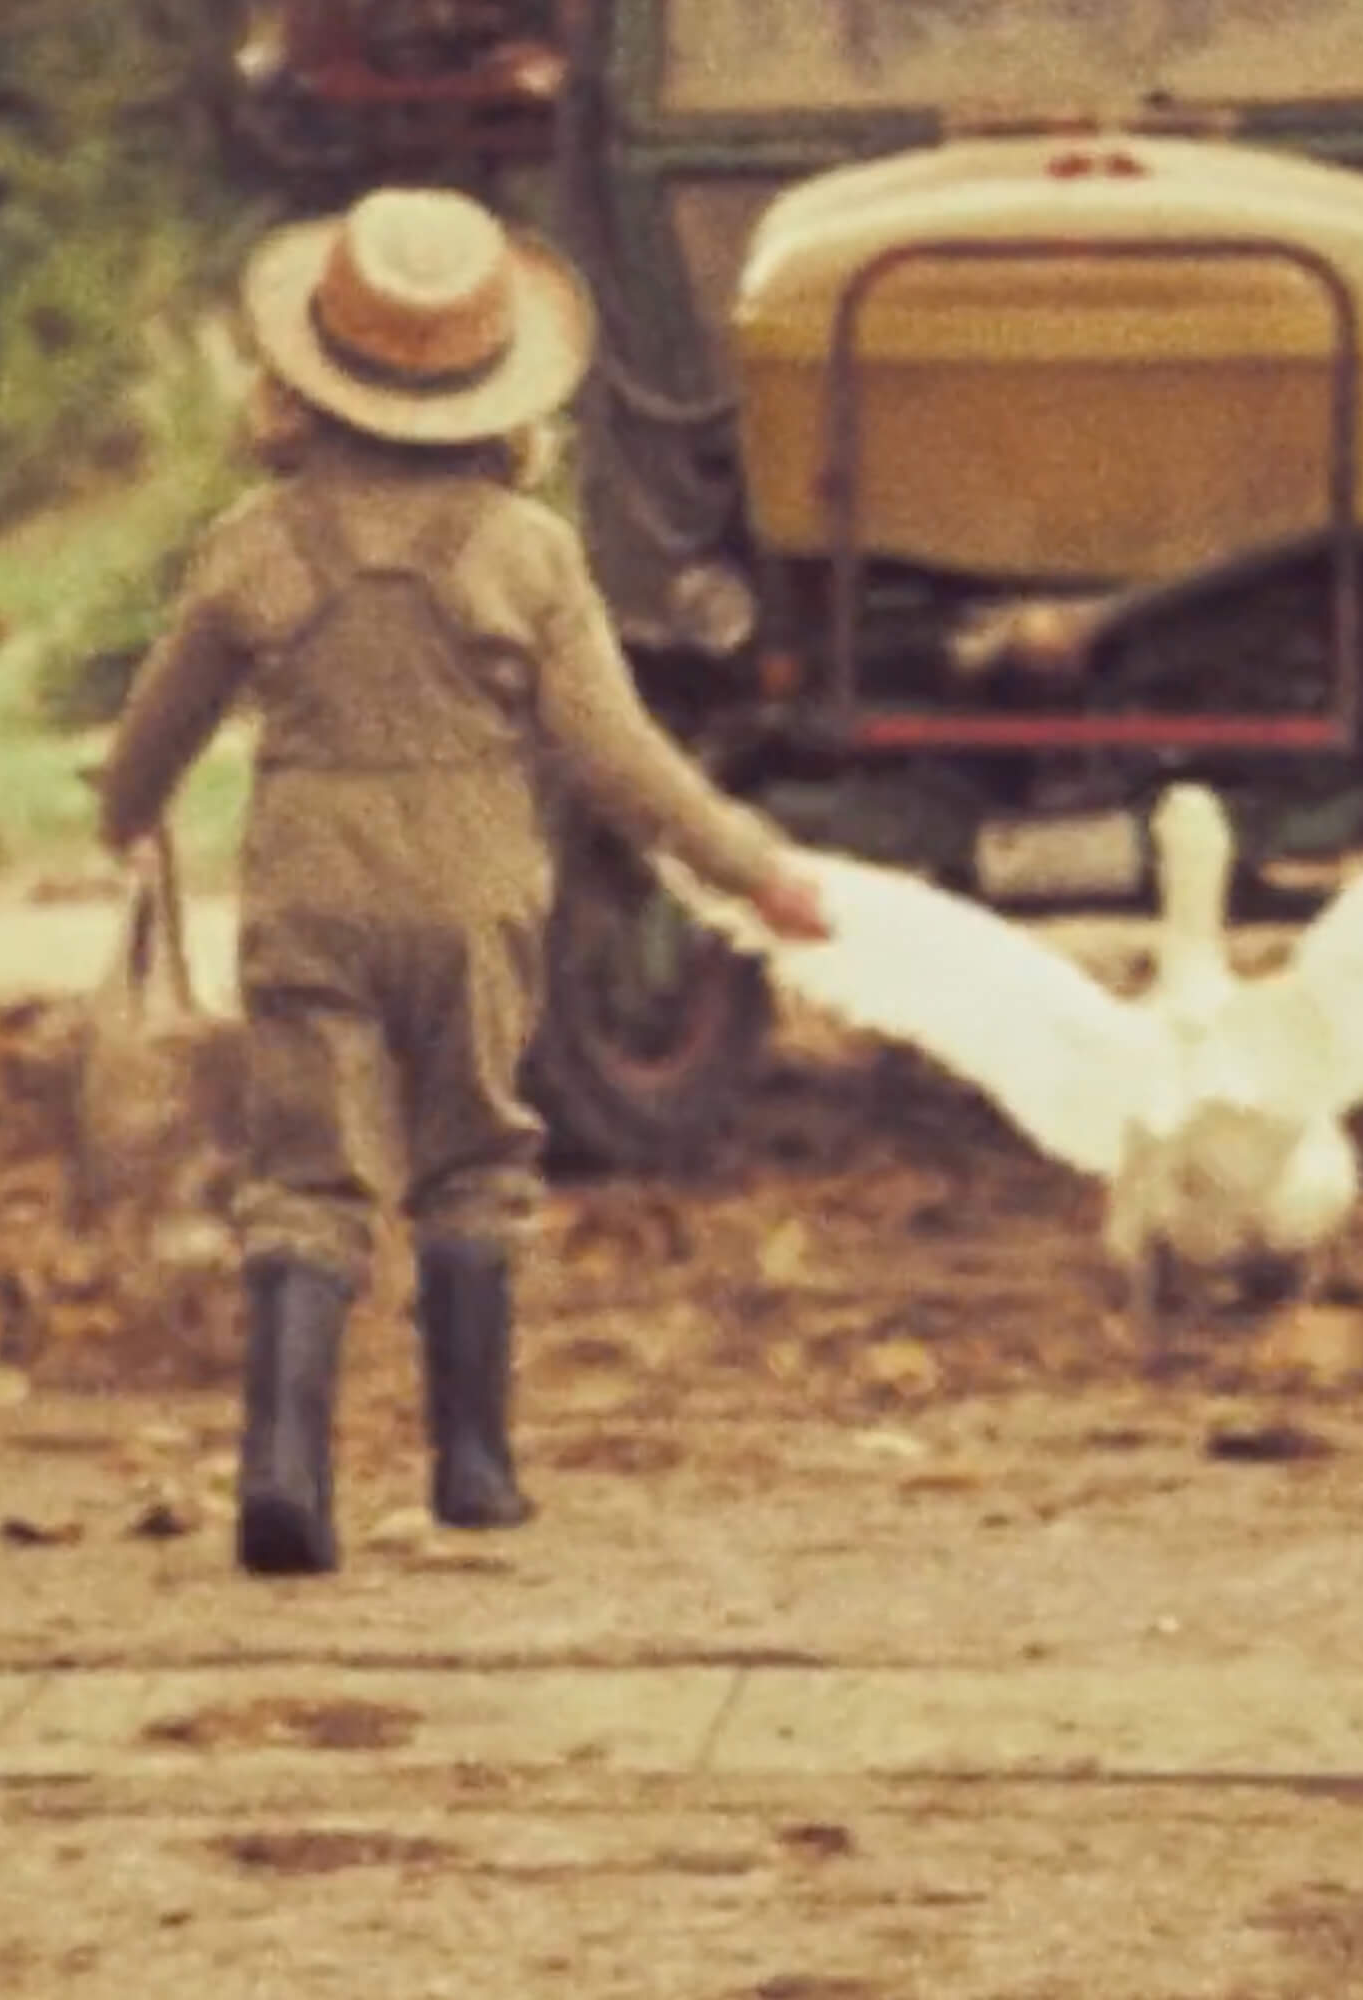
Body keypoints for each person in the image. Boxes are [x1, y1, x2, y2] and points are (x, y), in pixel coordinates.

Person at [100, 185, 831, 1577]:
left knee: (305, 1173)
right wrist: (757, 868)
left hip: (312, 882)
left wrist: (127, 816)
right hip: (476, 891)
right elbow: (620, 759)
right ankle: (475, 1467)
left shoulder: (255, 543)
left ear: (301, 377)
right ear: (498, 387)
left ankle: (282, 1466)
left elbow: (162, 723)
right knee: (476, 1157)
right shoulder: (531, 554)